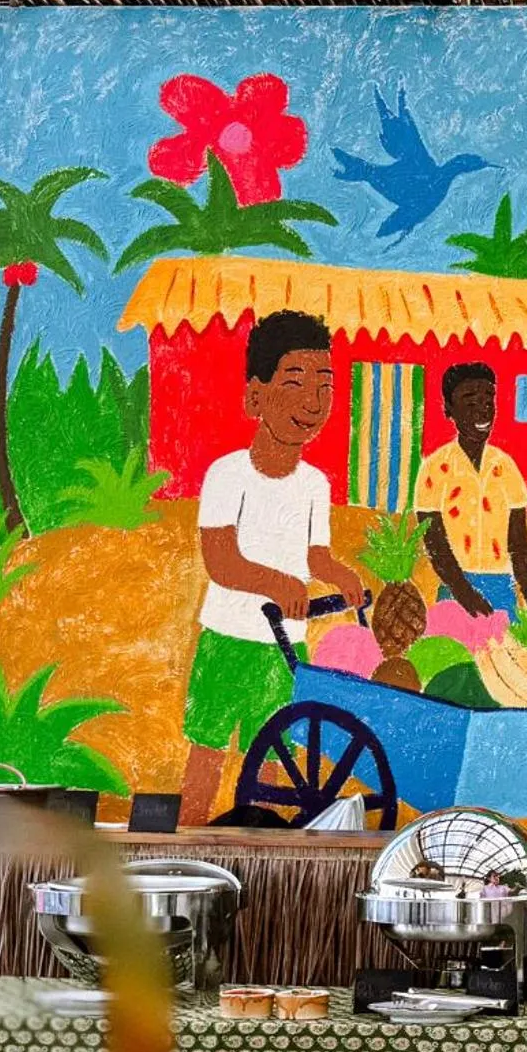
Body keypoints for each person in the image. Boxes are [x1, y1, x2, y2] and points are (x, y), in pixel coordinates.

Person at [178, 310, 366, 826]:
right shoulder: (227, 475)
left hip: (285, 648)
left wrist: (340, 576)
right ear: (255, 397)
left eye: (324, 384)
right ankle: (189, 840)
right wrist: (277, 584)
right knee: (208, 752)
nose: (313, 401)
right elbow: (220, 560)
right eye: (295, 382)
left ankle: (270, 846)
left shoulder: (315, 485)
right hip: (227, 641)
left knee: (278, 761)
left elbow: (315, 555)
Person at [414, 362, 527, 620]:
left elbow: (518, 544)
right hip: (455, 588)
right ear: (449, 409)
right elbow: (435, 544)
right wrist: (464, 593)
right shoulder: (434, 469)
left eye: (488, 401)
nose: (482, 411)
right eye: (470, 402)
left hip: (501, 585)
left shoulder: (505, 466)